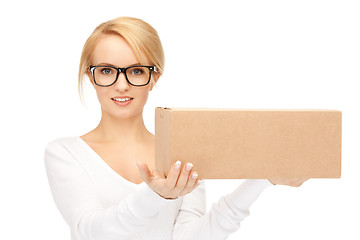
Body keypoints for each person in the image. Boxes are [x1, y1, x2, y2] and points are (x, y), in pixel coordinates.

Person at [44, 16, 308, 240]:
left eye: (136, 71)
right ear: (91, 76)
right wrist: (156, 195)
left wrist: (263, 178)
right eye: (106, 70)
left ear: (154, 76)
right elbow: (93, 231)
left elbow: (191, 237)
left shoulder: (181, 151)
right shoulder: (65, 153)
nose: (121, 85)